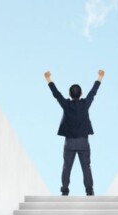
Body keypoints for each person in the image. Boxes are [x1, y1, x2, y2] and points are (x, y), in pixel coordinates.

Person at [44, 68, 104, 196]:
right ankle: (89, 191)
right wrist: (100, 77)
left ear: (70, 94)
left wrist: (48, 79)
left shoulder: (66, 105)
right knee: (86, 167)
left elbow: (56, 94)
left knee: (67, 167)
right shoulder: (85, 104)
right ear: (81, 93)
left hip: (69, 142)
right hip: (83, 141)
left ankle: (65, 191)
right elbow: (93, 92)